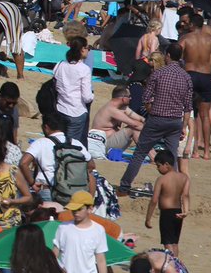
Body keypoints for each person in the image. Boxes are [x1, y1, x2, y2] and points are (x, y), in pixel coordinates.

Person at [118, 43, 192, 196]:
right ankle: (174, 189)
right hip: (175, 121)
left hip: (157, 118)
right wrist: (184, 127)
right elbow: (187, 107)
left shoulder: (159, 73)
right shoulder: (186, 77)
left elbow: (146, 98)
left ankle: (125, 187)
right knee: (172, 157)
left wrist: (152, 111)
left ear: (168, 56)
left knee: (139, 153)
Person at [20, 113, 95, 204]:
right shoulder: (76, 143)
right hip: (74, 192)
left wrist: (32, 184)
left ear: (46, 127)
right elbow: (91, 166)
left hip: (48, 190)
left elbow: (23, 163)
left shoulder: (40, 143)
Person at [145, 149, 189, 256]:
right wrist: (186, 211)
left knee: (167, 242)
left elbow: (154, 200)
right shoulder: (184, 177)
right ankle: (177, 266)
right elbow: (185, 196)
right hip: (178, 212)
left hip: (167, 213)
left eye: (158, 165)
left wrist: (148, 218)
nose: (157, 168)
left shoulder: (162, 179)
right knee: (175, 242)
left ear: (166, 164)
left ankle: (172, 265)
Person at [54, 191, 107, 273]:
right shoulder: (63, 227)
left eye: (79, 209)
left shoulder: (98, 230)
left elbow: (100, 259)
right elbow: (55, 253)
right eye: (73, 209)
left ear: (90, 209)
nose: (75, 212)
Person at [54, 37, 94, 144]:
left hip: (60, 108)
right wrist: (92, 96)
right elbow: (87, 97)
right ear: (82, 50)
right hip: (76, 112)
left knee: (58, 142)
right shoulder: (84, 69)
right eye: (87, 48)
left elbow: (56, 85)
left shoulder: (60, 64)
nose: (88, 50)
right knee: (71, 146)